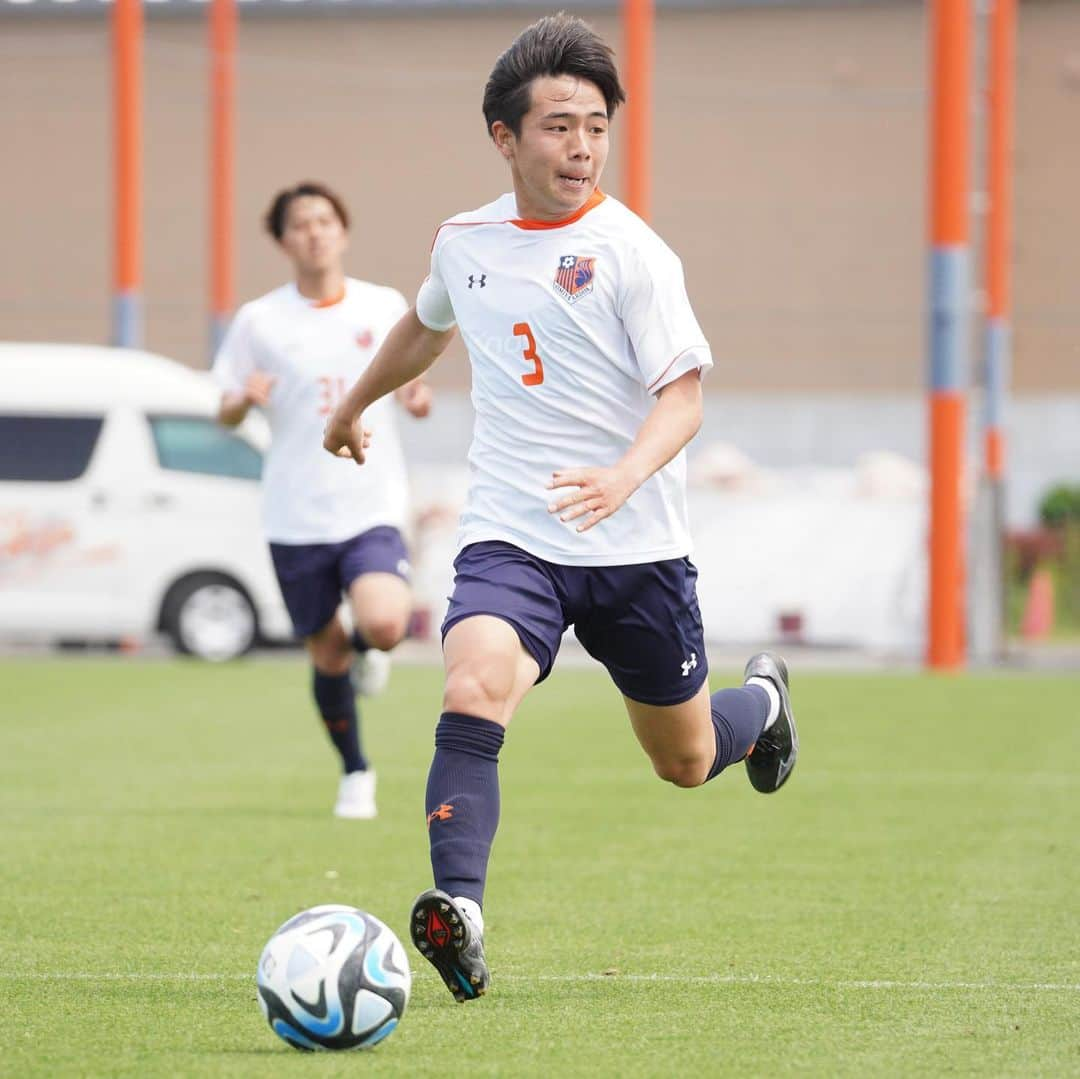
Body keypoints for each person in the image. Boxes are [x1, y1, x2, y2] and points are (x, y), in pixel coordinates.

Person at [323, 14, 798, 1000]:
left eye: (595, 126)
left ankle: (766, 706)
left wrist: (625, 475)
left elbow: (686, 397)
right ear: (505, 137)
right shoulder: (466, 242)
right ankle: (463, 912)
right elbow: (424, 327)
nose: (581, 146)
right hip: (514, 534)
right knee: (473, 685)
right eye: (557, 126)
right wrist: (355, 401)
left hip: (637, 548)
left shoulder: (634, 254)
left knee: (685, 758)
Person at [214, 181, 431, 820]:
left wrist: (417, 397)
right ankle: (355, 772)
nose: (315, 232)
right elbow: (223, 406)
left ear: (343, 230)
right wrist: (240, 400)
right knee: (326, 652)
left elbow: (412, 378)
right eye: (301, 224)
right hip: (294, 512)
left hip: (370, 502)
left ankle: (370, 653)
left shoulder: (380, 305)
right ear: (282, 240)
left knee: (386, 624)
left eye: (325, 220)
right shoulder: (260, 321)